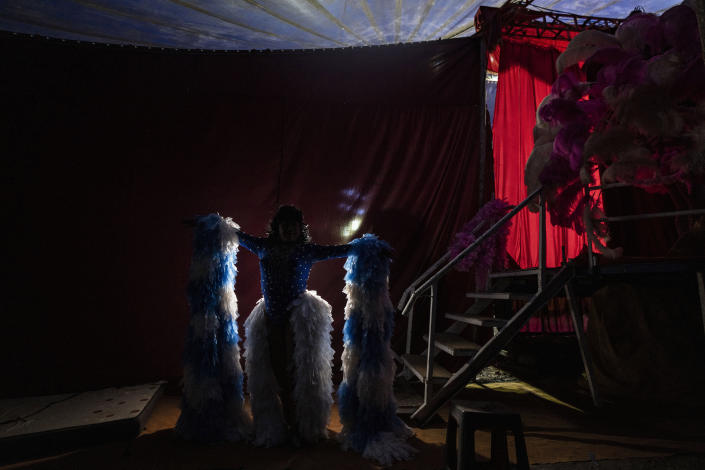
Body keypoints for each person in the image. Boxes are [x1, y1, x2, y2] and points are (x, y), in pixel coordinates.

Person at [238, 205, 350, 446]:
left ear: (300, 229)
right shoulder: (264, 247)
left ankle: (302, 426)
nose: (289, 230)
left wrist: (367, 248)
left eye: (294, 225)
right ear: (276, 228)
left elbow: (341, 250)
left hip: (298, 321)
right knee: (276, 373)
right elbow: (236, 235)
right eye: (284, 225)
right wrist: (213, 225)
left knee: (297, 374)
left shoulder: (306, 250)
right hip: (269, 318)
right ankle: (285, 424)